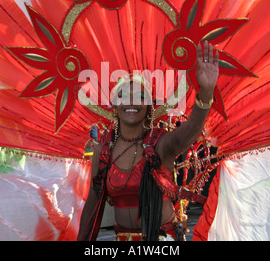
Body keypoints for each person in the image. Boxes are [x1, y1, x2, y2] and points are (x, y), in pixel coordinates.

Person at [78, 41, 219, 241]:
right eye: (123, 95)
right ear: (115, 106)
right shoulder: (103, 151)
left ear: (149, 107)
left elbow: (191, 130)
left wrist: (206, 91)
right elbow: (92, 204)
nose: (132, 102)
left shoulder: (161, 144)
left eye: (140, 96)